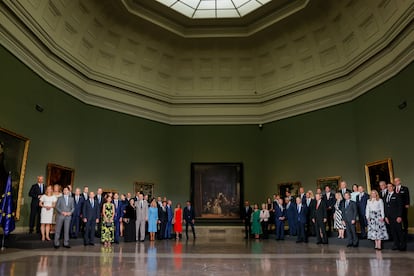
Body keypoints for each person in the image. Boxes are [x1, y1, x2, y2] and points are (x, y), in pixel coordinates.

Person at [384, 183, 406, 251]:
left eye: (390, 186)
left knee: (399, 231)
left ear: (393, 187)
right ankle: (396, 244)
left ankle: (402, 245)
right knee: (393, 232)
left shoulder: (397, 195)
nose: (389, 188)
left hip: (396, 216)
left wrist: (399, 216)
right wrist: (386, 217)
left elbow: (400, 207)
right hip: (389, 217)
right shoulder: (386, 196)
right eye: (387, 187)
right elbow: (385, 207)